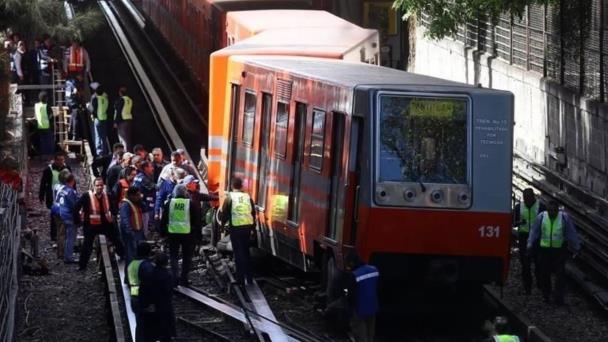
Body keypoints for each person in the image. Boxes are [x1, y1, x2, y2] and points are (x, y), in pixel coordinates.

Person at [527, 201, 581, 305]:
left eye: (554, 210)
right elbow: (534, 231)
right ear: (547, 210)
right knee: (544, 274)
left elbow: (571, 233)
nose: (552, 212)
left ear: (558, 210)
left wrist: (576, 246)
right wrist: (530, 243)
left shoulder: (564, 218)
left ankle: (558, 298)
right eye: (550, 210)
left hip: (559, 251)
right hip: (544, 251)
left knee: (560, 275)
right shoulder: (542, 217)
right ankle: (546, 295)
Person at [76, 177, 124, 270]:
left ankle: (122, 254)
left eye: (101, 185)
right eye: (97, 185)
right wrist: (78, 221)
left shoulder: (107, 195)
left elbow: (112, 207)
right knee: (87, 245)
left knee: (116, 239)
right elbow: (76, 207)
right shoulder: (87, 196)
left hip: (105, 223)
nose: (99, 187)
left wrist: (115, 214)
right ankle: (82, 265)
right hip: (91, 225)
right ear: (94, 186)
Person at [160, 184, 199, 286]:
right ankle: (184, 279)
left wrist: (162, 233)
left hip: (173, 234)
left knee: (173, 256)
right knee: (186, 257)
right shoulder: (190, 203)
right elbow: (196, 220)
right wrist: (198, 235)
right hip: (187, 234)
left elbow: (164, 219)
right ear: (185, 192)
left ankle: (174, 279)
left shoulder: (169, 203)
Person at [220, 176, 256, 285]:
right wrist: (253, 229)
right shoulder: (248, 197)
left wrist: (222, 226)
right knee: (246, 253)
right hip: (247, 229)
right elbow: (253, 213)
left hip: (236, 229)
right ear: (241, 186)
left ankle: (240, 279)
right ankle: (249, 278)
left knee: (238, 254)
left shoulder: (229, 197)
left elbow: (224, 214)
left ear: (231, 186)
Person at [513, 188, 545, 295]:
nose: (526, 200)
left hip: (537, 239)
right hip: (524, 238)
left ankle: (540, 284)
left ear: (533, 197)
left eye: (528, 198)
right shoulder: (519, 207)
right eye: (524, 198)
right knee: (525, 264)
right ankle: (528, 286)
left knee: (539, 263)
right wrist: (519, 222)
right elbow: (513, 222)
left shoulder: (541, 207)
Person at [139, 252, 175, 342]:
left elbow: (142, 290)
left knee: (150, 333)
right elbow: (169, 292)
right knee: (166, 333)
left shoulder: (149, 274)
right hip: (164, 307)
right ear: (166, 263)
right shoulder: (168, 275)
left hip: (151, 306)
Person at [345, 251, 379, 342]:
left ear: (352, 262)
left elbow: (350, 297)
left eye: (348, 264)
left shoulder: (354, 275)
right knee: (370, 335)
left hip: (359, 310)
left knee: (360, 336)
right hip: (372, 308)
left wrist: (349, 311)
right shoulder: (374, 270)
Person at [39, 151, 71, 241]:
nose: (61, 162)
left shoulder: (67, 168)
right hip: (52, 196)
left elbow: (72, 181)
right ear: (55, 160)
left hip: (64, 195)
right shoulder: (48, 170)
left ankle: (63, 233)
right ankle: (54, 235)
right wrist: (41, 195)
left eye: (62, 160)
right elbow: (43, 183)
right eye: (59, 160)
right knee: (54, 216)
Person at [127, 241, 154, 342]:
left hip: (134, 296)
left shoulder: (131, 264)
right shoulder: (146, 266)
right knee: (148, 327)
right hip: (144, 298)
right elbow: (149, 284)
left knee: (140, 326)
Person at [120, 186, 145, 276]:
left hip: (138, 233)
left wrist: (140, 200)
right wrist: (130, 233)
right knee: (130, 257)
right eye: (137, 195)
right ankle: (129, 278)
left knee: (137, 257)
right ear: (131, 196)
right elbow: (125, 220)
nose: (139, 197)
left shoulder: (136, 203)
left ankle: (134, 276)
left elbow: (145, 208)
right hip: (131, 235)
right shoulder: (125, 205)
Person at [57, 173, 80, 263]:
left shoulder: (62, 189)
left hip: (62, 214)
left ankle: (63, 254)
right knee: (71, 237)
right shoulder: (71, 191)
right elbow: (75, 205)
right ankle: (68, 257)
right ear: (72, 181)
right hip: (69, 216)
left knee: (64, 235)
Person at [51, 169, 72, 259]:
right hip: (63, 211)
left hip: (55, 209)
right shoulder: (67, 190)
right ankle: (62, 253)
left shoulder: (55, 186)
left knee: (59, 232)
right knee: (63, 233)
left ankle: (59, 252)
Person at [133, 161, 156, 236]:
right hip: (143, 206)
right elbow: (154, 187)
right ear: (146, 168)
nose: (152, 168)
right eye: (150, 167)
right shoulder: (143, 178)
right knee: (144, 227)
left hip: (138, 205)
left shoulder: (138, 176)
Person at [89, 84, 110, 156]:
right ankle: (105, 151)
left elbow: (93, 109)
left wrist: (88, 106)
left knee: (98, 135)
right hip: (104, 118)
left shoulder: (95, 98)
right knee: (103, 136)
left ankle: (99, 152)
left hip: (98, 119)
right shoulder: (105, 98)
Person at [113, 86, 134, 151]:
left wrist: (116, 122)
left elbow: (119, 111)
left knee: (123, 139)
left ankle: (126, 155)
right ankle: (129, 153)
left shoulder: (121, 100)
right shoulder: (130, 100)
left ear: (120, 93)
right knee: (128, 139)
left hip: (122, 121)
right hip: (129, 120)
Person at [34, 91, 55, 155]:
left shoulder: (36, 106)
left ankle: (44, 155)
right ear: (46, 98)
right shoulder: (47, 106)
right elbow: (51, 116)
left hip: (39, 126)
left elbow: (35, 115)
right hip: (47, 126)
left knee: (43, 142)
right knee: (49, 142)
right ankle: (50, 156)